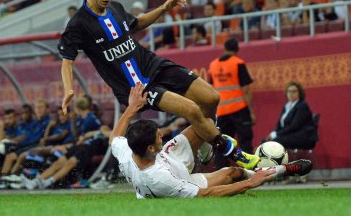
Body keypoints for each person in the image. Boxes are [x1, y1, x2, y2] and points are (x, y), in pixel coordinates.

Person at [58, 0, 260, 171]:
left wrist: (164, 8)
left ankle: (205, 140)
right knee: (191, 109)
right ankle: (234, 153)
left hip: (152, 64)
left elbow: (136, 24)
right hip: (137, 86)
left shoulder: (116, 8)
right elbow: (67, 60)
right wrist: (68, 89)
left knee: (211, 98)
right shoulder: (78, 24)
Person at [110, 85, 313, 198]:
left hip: (169, 158)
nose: (162, 134)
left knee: (205, 121)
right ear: (151, 147)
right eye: (158, 136)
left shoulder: (127, 151)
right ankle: (281, 170)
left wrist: (132, 108)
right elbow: (207, 194)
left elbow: (114, 138)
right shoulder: (160, 180)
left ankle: (206, 153)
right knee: (236, 173)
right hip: (181, 179)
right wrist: (251, 183)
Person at [209, 38, 255, 156]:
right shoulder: (238, 63)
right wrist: (251, 112)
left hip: (221, 111)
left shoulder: (213, 65)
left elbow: (210, 89)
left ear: (224, 49)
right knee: (245, 142)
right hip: (239, 108)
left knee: (222, 144)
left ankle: (221, 170)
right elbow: (246, 89)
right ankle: (249, 171)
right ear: (237, 49)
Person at [263, 81, 318, 150]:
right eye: (289, 91)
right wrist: (273, 133)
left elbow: (294, 126)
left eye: (294, 91)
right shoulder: (286, 106)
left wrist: (276, 134)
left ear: (299, 93)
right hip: (289, 135)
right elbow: (279, 124)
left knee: (274, 142)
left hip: (301, 137)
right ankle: (262, 160)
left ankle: (275, 160)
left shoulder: (302, 106)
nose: (291, 94)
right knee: (265, 141)